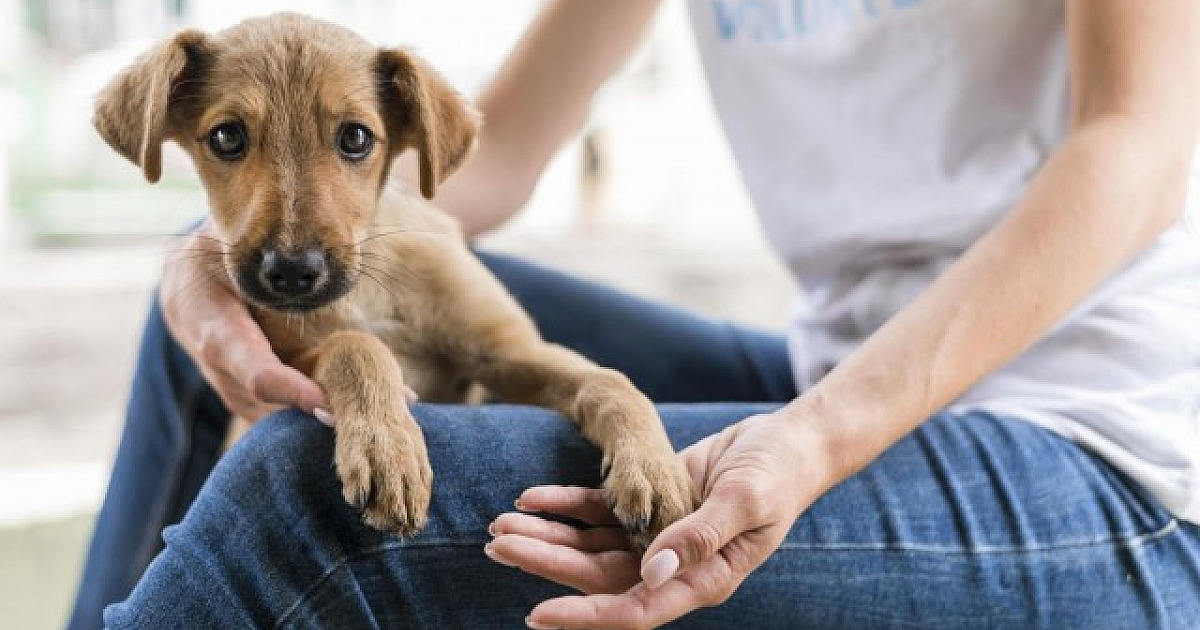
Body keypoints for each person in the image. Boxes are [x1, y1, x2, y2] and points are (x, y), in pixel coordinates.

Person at [69, 1, 1200, 628]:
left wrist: (814, 439)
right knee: (207, 337)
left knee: (300, 487)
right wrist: (217, 253)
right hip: (833, 362)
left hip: (1102, 441)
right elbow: (492, 155)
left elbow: (1138, 152)